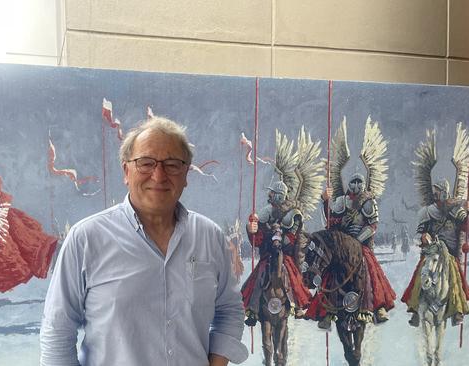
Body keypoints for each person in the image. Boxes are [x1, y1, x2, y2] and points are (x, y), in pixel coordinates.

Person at [40, 116, 248, 366]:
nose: (158, 176)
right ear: (126, 171)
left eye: (172, 164)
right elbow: (57, 333)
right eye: (146, 163)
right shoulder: (86, 239)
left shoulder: (210, 237)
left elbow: (229, 310)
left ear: (185, 174)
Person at [318, 173, 396, 328]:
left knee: (370, 269)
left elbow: (372, 226)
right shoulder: (342, 201)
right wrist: (325, 202)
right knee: (331, 270)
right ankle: (328, 311)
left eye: (358, 182)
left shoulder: (368, 202)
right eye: (353, 181)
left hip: (361, 244)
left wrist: (357, 240)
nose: (355, 184)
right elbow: (330, 223)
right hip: (343, 243)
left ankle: (377, 307)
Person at [402, 180, 469, 326]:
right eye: (434, 191)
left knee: (454, 277)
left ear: (445, 192)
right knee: (420, 275)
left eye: (438, 190)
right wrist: (423, 238)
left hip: (450, 254)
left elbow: (466, 228)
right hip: (431, 252)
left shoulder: (456, 210)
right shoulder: (427, 212)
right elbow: (417, 235)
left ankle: (457, 310)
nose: (435, 194)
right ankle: (416, 309)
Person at [240, 181, 312, 326]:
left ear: (279, 195)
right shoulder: (266, 212)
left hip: (285, 254)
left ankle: (297, 305)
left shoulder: (293, 214)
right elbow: (258, 240)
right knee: (259, 276)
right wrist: (252, 229)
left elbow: (291, 238)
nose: (270, 194)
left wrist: (277, 238)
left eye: (272, 193)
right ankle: (253, 310)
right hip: (268, 253)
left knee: (291, 275)